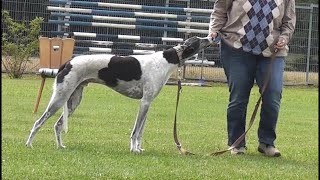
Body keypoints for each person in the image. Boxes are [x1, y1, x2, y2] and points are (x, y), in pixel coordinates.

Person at [208, 0, 296, 157]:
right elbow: (220, 9)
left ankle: (267, 142)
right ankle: (236, 143)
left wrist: (284, 37)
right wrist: (214, 30)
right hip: (236, 47)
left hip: (272, 51)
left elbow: (289, 21)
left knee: (273, 95)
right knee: (238, 97)